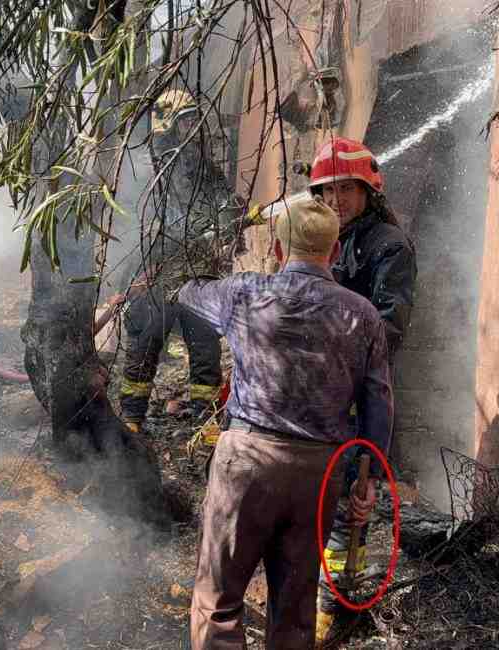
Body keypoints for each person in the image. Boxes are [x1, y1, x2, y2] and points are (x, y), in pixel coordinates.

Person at [180, 195, 393, 649]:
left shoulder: (243, 293)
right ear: (334, 252)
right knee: (296, 611)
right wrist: (369, 477)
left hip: (247, 463)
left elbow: (187, 291)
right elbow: (377, 401)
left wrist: (216, 245)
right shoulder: (363, 315)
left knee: (217, 603)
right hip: (317, 476)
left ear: (278, 250)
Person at [304, 136, 417, 644]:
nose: (336, 201)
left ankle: (338, 603)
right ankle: (321, 587)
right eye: (327, 192)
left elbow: (389, 328)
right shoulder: (327, 238)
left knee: (354, 493)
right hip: (320, 390)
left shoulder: (388, 245)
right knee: (317, 488)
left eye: (346, 189)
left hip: (359, 389)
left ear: (369, 189)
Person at [118, 89, 243, 432]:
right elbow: (141, 225)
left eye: (194, 120)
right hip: (159, 275)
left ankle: (206, 424)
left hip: (199, 274)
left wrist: (232, 210)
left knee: (205, 346)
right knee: (146, 341)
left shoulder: (204, 168)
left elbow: (223, 201)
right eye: (186, 120)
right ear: (167, 127)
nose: (195, 127)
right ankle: (131, 418)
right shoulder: (152, 173)